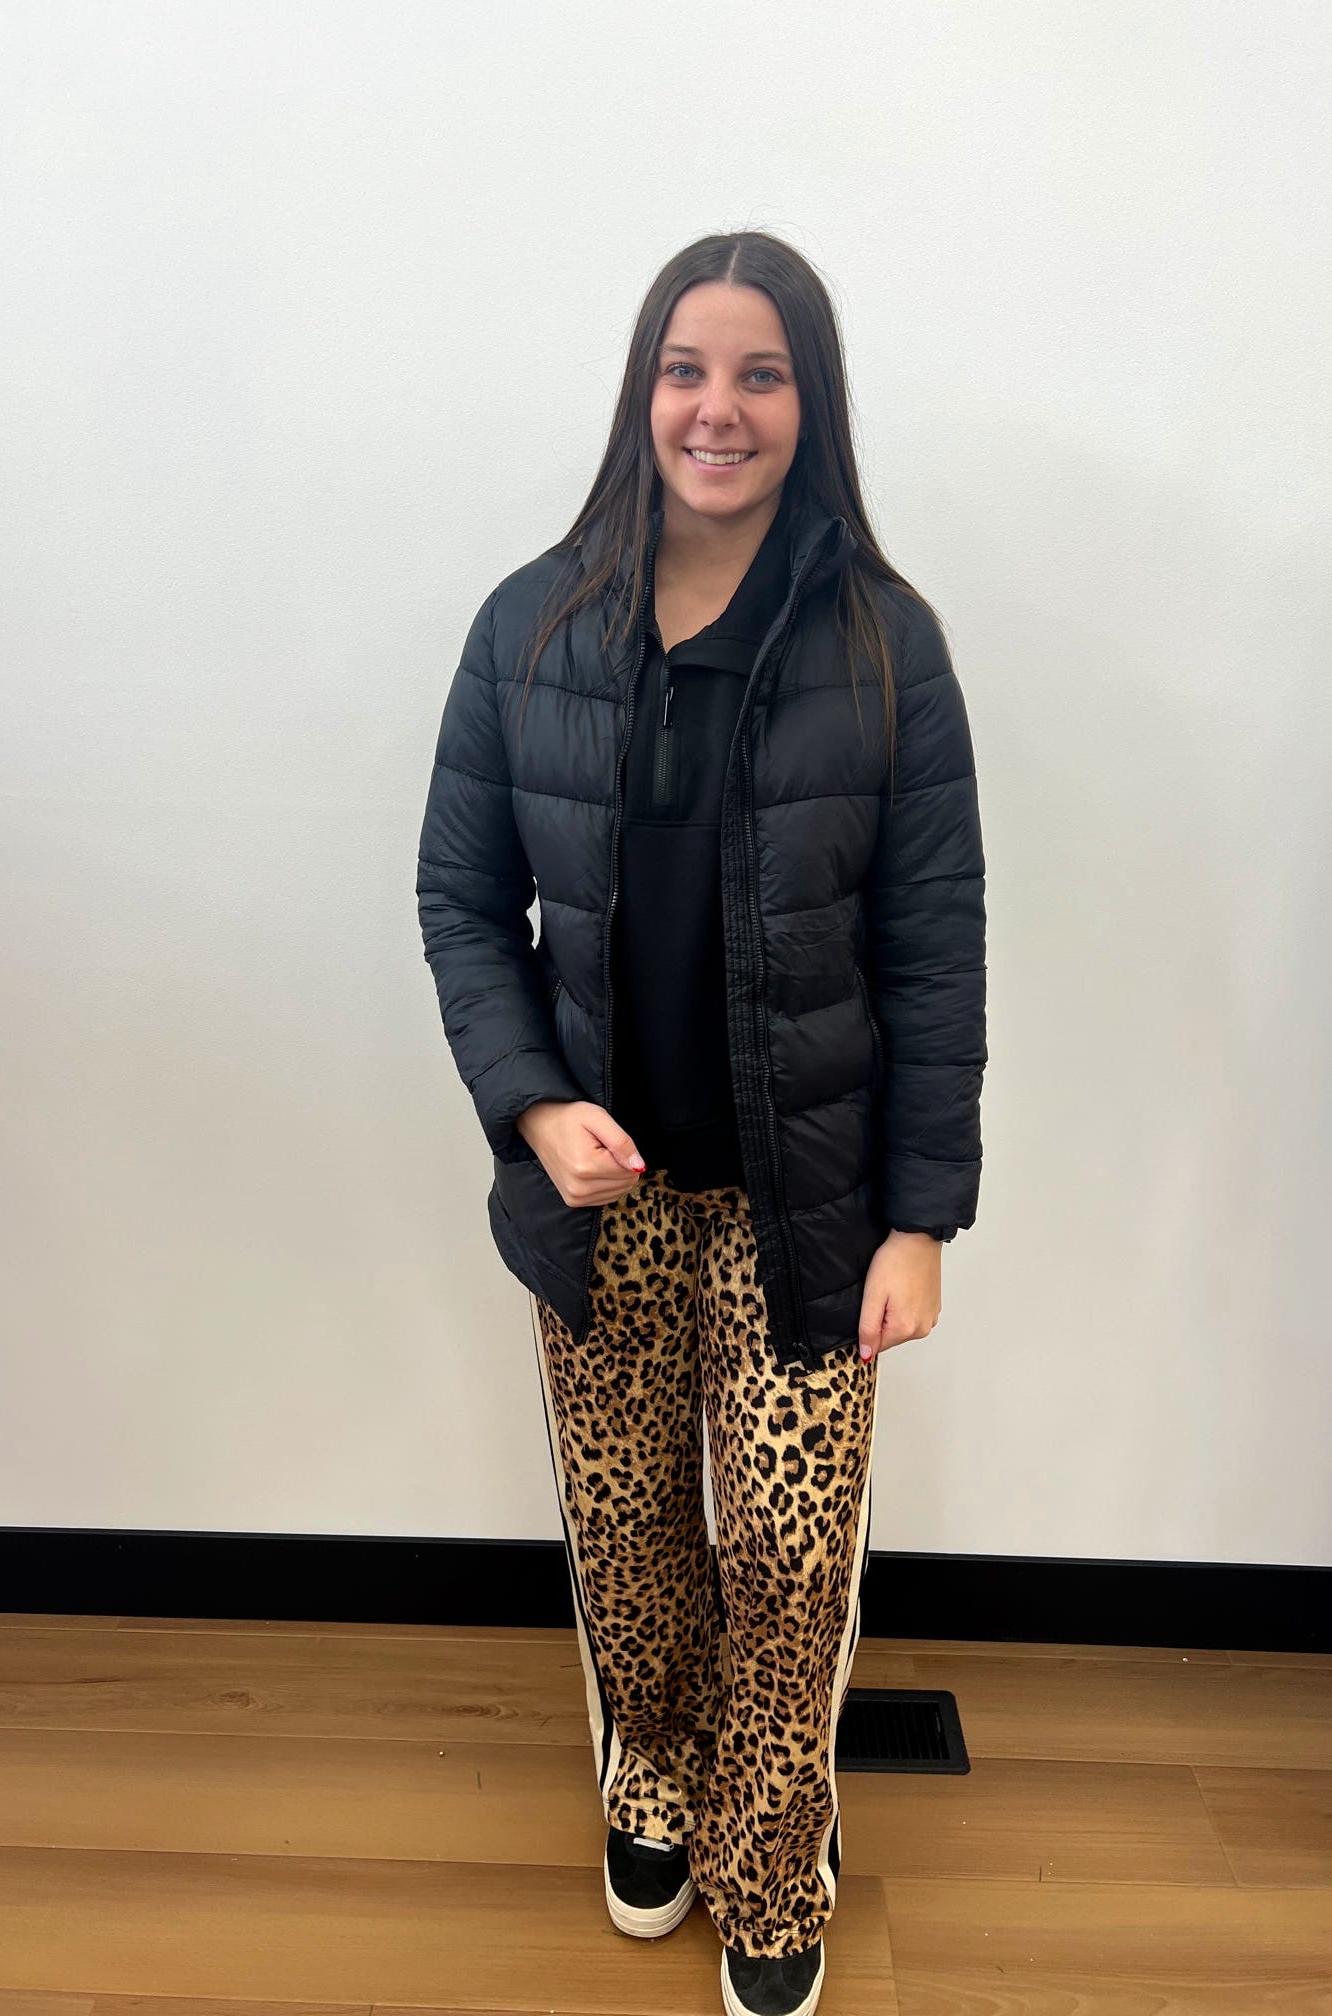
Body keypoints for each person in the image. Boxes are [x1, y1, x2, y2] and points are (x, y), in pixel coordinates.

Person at [416, 229, 986, 2016]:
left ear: (808, 405)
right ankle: (652, 1781)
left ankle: (770, 1852)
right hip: (606, 1203)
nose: (716, 407)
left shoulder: (890, 647)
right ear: (640, 389)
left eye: (759, 371)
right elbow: (459, 901)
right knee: (637, 1540)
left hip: (811, 1206)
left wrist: (920, 1215)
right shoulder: (531, 625)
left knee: (793, 1563)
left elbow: (934, 947)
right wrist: (528, 1106)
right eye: (686, 366)